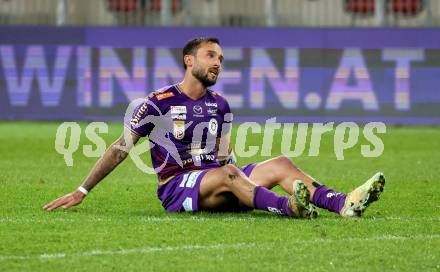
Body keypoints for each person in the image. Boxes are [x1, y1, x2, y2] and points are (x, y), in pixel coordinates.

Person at [44, 37, 385, 218]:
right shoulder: (157, 102)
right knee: (231, 176)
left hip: (217, 178)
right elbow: (120, 148)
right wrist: (82, 190)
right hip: (178, 187)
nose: (218, 63)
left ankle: (343, 203)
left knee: (279, 163)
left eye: (220, 58)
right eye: (211, 56)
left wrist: (239, 177)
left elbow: (225, 156)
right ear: (189, 60)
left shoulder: (219, 104)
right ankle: (289, 208)